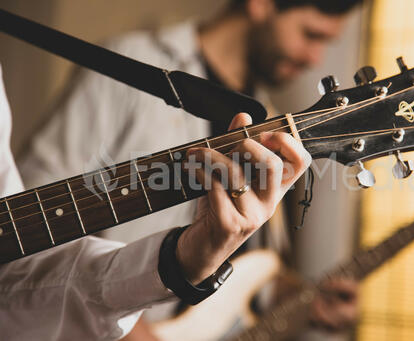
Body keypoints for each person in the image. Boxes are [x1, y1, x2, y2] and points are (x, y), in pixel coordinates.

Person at [18, 0, 361, 335]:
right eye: (310, 34)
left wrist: (298, 298)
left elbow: (240, 265)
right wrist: (130, 322)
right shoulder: (131, 63)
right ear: (260, 4)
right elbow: (28, 221)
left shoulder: (268, 118)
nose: (314, 58)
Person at [0, 63, 311, 340]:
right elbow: (35, 213)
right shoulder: (134, 55)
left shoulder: (263, 104)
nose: (313, 57)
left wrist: (181, 260)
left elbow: (14, 278)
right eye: (311, 34)